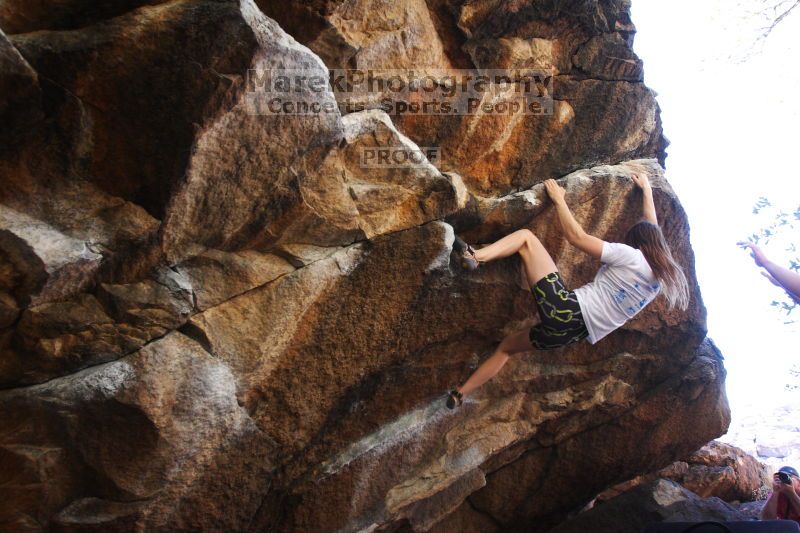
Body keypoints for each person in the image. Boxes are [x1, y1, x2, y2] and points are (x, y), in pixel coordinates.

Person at [446, 173, 690, 409]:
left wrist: (559, 198)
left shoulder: (631, 256)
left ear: (639, 246)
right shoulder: (657, 281)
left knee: (526, 238)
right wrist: (646, 189)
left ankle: (476, 256)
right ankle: (460, 394)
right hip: (569, 335)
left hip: (566, 309)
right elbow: (651, 228)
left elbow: (577, 238)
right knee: (506, 348)